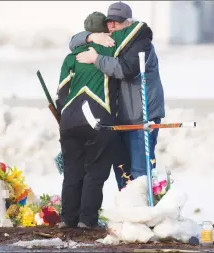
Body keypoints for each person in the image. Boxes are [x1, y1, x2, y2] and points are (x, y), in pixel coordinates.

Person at [55, 11, 151, 229]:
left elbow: (61, 93)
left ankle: (67, 219)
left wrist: (66, 116)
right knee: (95, 172)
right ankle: (87, 221)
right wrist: (134, 24)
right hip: (99, 117)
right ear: (105, 29)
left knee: (72, 172)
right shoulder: (111, 48)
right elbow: (138, 31)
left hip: (69, 120)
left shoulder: (70, 58)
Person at [69, 2, 165, 181]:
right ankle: (127, 207)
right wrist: (92, 37)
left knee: (141, 173)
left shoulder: (140, 42)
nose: (112, 25)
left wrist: (96, 59)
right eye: (110, 21)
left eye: (118, 22)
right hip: (120, 118)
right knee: (123, 173)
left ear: (128, 22)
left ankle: (146, 208)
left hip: (142, 117)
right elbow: (74, 42)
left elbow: (126, 70)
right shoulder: (112, 42)